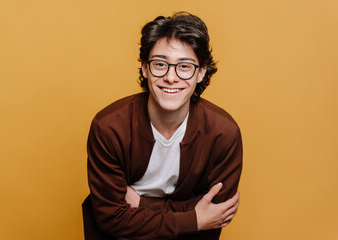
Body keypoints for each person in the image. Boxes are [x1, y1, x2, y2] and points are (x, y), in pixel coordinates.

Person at [82, 12, 243, 240]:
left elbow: (215, 214)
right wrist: (193, 218)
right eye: (160, 64)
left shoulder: (223, 133)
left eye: (184, 66)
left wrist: (141, 203)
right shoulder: (109, 127)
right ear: (145, 68)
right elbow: (110, 218)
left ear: (201, 72)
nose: (170, 77)